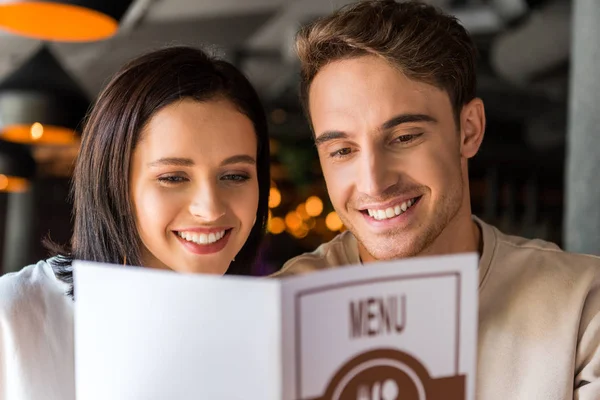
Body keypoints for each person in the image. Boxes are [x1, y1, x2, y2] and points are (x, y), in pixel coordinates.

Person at [273, 1, 600, 399]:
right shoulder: (277, 316)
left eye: (405, 137)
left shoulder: (583, 305)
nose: (374, 183)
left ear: (469, 130)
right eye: (342, 150)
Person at [0, 46, 270, 400]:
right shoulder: (13, 318)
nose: (210, 209)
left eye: (234, 176)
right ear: (115, 182)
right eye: (173, 177)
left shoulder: (265, 329)